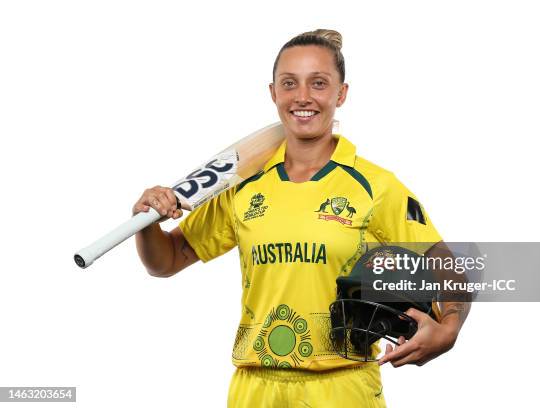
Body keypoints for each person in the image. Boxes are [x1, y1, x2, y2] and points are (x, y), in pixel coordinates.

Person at [133, 29, 469, 407]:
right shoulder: (243, 186)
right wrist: (147, 223)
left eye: (319, 83)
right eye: (289, 83)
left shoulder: (375, 186)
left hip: (341, 387)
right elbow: (167, 260)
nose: (303, 97)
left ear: (341, 94)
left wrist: (450, 328)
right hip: (254, 387)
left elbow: (445, 264)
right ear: (273, 93)